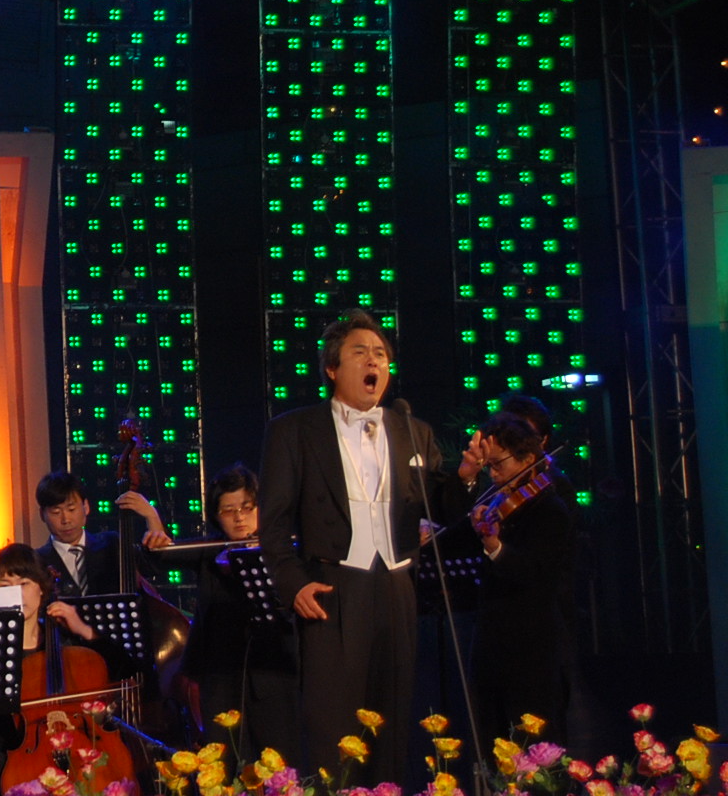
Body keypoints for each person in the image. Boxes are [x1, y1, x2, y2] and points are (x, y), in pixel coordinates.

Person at [258, 309, 448, 786]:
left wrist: (466, 479)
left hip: (397, 586)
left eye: (381, 354)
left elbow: (442, 506)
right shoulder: (294, 430)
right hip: (332, 589)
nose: (374, 361)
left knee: (392, 722)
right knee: (333, 730)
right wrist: (293, 584)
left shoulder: (413, 429)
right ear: (332, 368)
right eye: (360, 352)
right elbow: (273, 524)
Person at [0, 543, 131, 796]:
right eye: (4, 586)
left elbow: (126, 669)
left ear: (41, 588)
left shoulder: (66, 641)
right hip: (1, 742)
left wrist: (83, 629)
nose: (16, 595)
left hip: (72, 735)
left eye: (24, 584)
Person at [175, 464, 299, 765]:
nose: (239, 517)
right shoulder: (210, 552)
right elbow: (160, 556)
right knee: (224, 762)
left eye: (247, 507)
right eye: (228, 511)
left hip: (274, 674)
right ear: (216, 516)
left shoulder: (283, 552)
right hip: (220, 677)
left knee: (278, 762)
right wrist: (153, 524)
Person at [464, 414, 575, 741]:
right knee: (491, 735)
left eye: (498, 464)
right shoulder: (498, 501)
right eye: (488, 467)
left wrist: (496, 546)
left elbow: (535, 573)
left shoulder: (550, 510)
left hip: (531, 647)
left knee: (531, 739)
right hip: (492, 641)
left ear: (527, 460)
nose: (493, 474)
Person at [32, 471, 166, 599]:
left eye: (71, 509)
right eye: (56, 512)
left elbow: (153, 565)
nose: (66, 520)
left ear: (86, 507)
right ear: (42, 515)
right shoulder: (37, 561)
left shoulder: (112, 544)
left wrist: (152, 516)